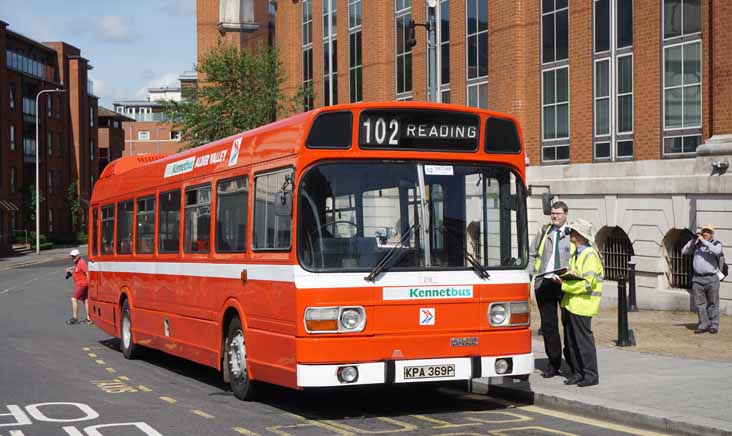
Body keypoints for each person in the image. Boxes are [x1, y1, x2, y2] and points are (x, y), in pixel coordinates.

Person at [553, 218, 603, 387]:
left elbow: (587, 283)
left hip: (582, 305)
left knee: (583, 343)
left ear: (581, 235)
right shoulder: (578, 252)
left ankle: (590, 375)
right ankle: (577, 372)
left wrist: (564, 284)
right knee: (571, 342)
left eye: (573, 232)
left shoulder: (590, 255)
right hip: (571, 303)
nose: (571, 234)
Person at [527, 200, 574, 378]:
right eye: (553, 213)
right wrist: (529, 276)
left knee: (568, 324)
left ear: (565, 215)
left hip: (563, 283)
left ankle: (571, 361)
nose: (554, 216)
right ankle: (553, 363)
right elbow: (532, 254)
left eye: (558, 213)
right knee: (548, 326)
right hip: (544, 282)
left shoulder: (572, 233)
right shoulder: (544, 231)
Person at [682, 224, 724, 334]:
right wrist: (692, 241)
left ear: (711, 234)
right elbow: (684, 252)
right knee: (700, 304)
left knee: (713, 303)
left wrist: (704, 242)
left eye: (708, 232)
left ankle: (714, 324)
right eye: (704, 231)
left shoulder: (716, 244)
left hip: (711, 278)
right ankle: (703, 324)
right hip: (697, 279)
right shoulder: (697, 245)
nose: (705, 233)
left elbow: (717, 251)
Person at [66, 248, 91, 325]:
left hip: (82, 285)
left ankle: (75, 318)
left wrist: (89, 284)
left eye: (74, 256)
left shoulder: (81, 262)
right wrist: (70, 272)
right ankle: (89, 318)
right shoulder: (77, 263)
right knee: (85, 300)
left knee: (73, 299)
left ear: (78, 256)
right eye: (72, 256)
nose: (72, 258)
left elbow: (87, 273)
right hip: (81, 284)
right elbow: (77, 271)